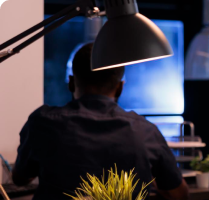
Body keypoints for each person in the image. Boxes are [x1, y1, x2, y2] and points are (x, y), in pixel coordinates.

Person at [11, 43, 189, 200]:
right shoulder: (146, 133)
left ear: (71, 83)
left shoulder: (42, 123)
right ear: (120, 87)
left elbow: (20, 179)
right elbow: (180, 194)